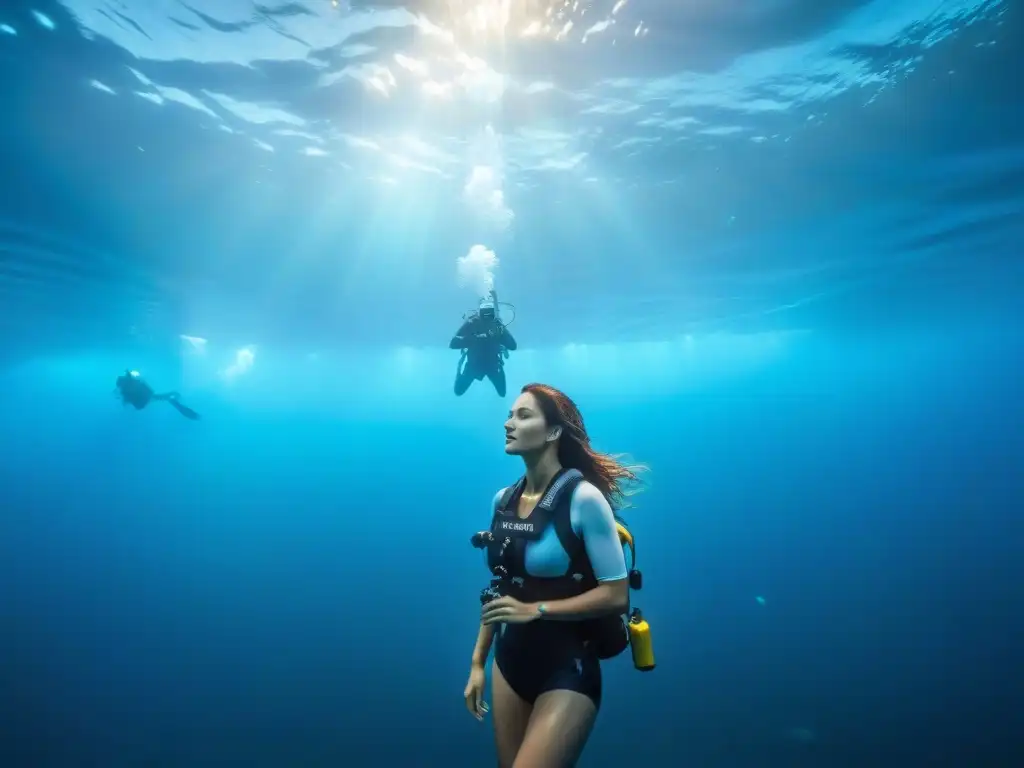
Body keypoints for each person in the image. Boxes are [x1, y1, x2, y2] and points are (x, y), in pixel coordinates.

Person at [463, 383, 644, 768]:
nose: (509, 423)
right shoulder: (503, 500)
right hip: (508, 662)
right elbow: (500, 585)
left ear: (554, 432)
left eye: (523, 415)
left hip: (568, 665)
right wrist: (478, 662)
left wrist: (538, 610)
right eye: (510, 414)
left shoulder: (584, 499)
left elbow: (617, 596)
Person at [450, 290, 517, 397]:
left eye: (489, 312)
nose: (487, 317)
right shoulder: (472, 323)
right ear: (479, 312)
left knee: (502, 393)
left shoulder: (497, 324)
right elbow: (453, 343)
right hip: (474, 365)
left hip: (493, 365)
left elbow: (513, 346)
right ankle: (460, 367)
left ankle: (499, 368)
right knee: (458, 391)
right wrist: (477, 338)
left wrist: (502, 333)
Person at [115, 370, 200, 420]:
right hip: (143, 400)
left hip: (143, 400)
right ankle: (174, 399)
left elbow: (127, 400)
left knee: (165, 398)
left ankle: (190, 412)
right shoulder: (130, 384)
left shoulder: (127, 386)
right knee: (165, 398)